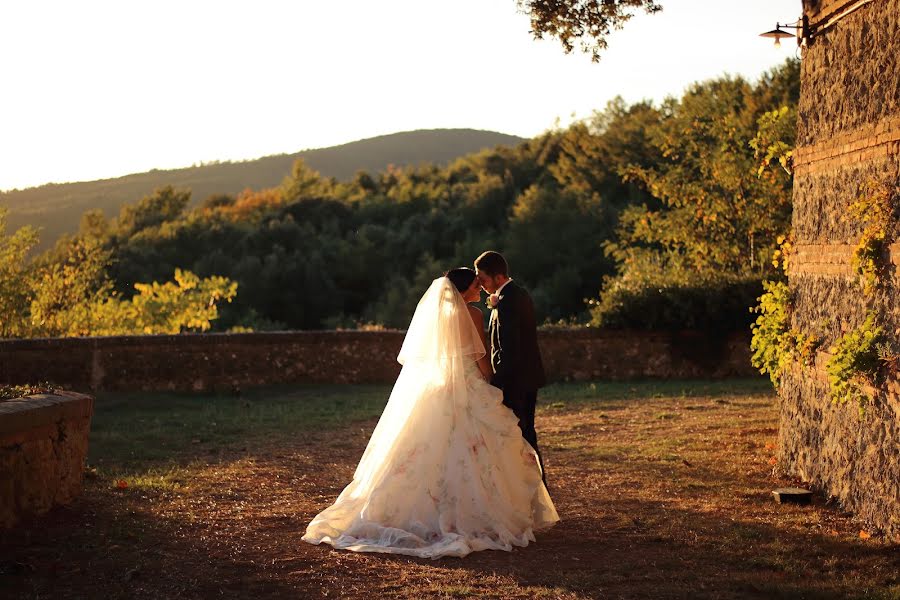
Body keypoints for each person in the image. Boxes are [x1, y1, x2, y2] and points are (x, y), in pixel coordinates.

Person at [301, 268, 558, 559]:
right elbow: (482, 359)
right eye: (475, 285)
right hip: (469, 385)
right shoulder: (472, 315)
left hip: (440, 387)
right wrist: (491, 382)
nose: (479, 288)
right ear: (463, 292)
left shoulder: (438, 319)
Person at [474, 251, 548, 485]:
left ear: (497, 277)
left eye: (482, 278)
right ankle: (530, 487)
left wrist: (496, 385)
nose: (481, 284)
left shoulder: (510, 301)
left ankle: (536, 487)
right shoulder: (510, 296)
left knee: (523, 435)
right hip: (522, 378)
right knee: (523, 434)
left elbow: (510, 349)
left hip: (517, 381)